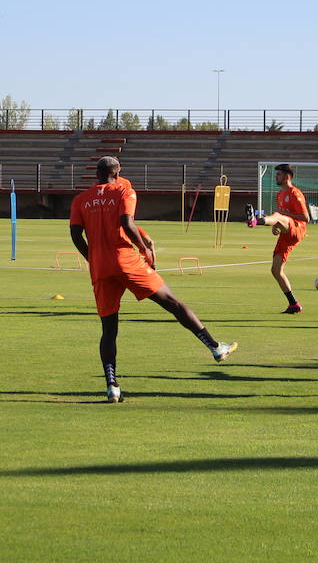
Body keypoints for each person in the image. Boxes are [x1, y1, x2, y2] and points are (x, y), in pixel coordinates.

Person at [71, 156, 236, 403]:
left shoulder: (81, 199)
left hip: (101, 267)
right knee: (173, 303)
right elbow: (126, 223)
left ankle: (112, 385)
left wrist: (92, 258)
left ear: (96, 173)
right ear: (118, 171)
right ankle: (215, 347)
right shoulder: (124, 189)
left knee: (109, 329)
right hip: (126, 260)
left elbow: (75, 235)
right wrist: (144, 248)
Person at [244, 163, 309, 313]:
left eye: (278, 174)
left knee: (278, 215)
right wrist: (277, 225)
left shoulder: (295, 193)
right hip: (286, 233)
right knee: (276, 270)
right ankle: (294, 304)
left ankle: (255, 220)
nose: (276, 177)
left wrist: (282, 218)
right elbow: (280, 218)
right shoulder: (279, 194)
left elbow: (305, 217)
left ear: (287, 177)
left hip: (297, 229)